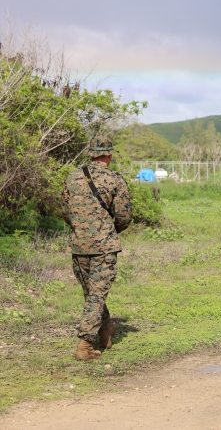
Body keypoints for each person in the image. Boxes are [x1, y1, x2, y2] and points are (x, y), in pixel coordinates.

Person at [61, 136, 133, 360]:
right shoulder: (115, 179)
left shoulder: (73, 177)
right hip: (104, 246)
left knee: (92, 293)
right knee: (96, 295)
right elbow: (124, 215)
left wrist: (81, 231)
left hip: (79, 245)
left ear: (91, 153)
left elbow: (65, 211)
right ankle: (84, 345)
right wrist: (110, 232)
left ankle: (105, 331)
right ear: (109, 154)